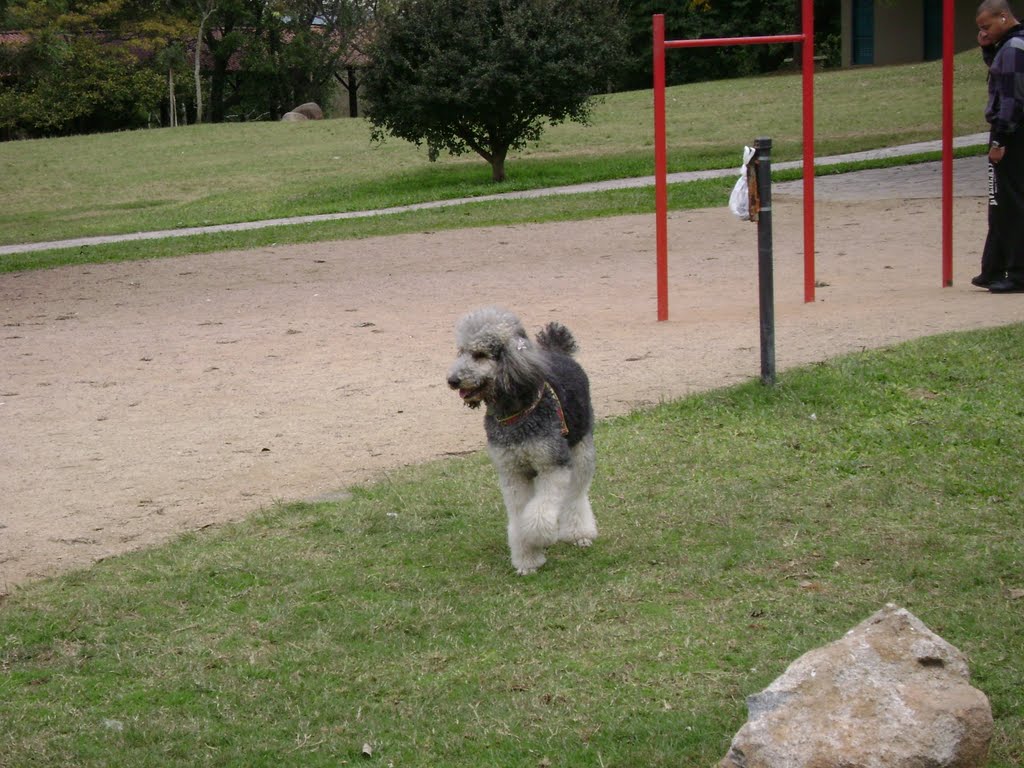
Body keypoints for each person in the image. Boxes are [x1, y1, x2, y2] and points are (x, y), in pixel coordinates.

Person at [974, 0, 1024, 293]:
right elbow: (999, 70)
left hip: (1012, 132)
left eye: (987, 26)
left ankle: (1017, 274)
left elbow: (1012, 98)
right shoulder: (1010, 46)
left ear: (1003, 17)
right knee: (1000, 201)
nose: (984, 32)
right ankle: (993, 266)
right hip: (1009, 129)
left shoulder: (1015, 48)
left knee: (1011, 202)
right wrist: (986, 47)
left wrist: (1000, 140)